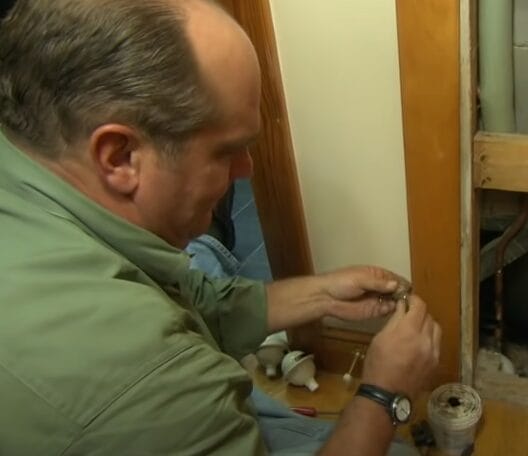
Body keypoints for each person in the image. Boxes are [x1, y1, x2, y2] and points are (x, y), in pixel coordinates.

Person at [0, 0, 441, 454]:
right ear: (120, 156)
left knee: (204, 261)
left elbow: (182, 297)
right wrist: (386, 395)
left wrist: (323, 295)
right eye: (226, 151)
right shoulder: (148, 385)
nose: (246, 169)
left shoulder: (26, 161)